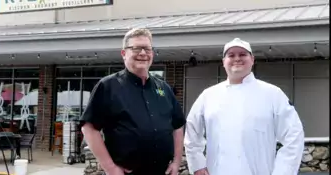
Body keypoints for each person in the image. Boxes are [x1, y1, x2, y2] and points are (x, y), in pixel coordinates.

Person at [184, 38, 304, 175]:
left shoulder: (272, 94)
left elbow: (294, 136)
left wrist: (283, 172)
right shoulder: (209, 95)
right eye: (231, 55)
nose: (237, 59)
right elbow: (192, 129)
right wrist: (197, 164)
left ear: (252, 59)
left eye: (242, 54)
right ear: (224, 62)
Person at [80, 28, 186, 175]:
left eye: (147, 49)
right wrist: (110, 168)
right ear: (124, 53)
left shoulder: (164, 88)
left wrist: (176, 161)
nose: (143, 53)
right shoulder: (108, 86)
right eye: (136, 48)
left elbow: (178, 126)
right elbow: (89, 128)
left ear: (152, 54)